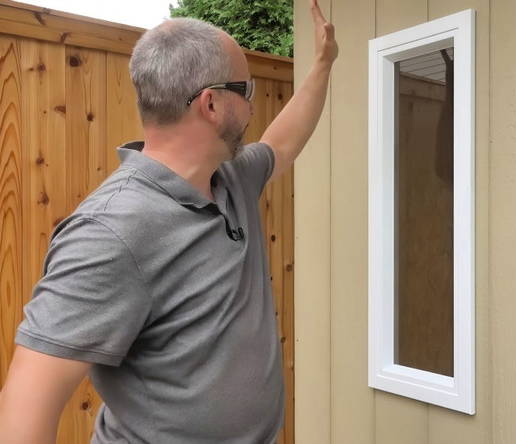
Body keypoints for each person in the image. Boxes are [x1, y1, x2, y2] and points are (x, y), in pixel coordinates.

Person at [0, 0, 337, 442]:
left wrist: (323, 65)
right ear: (211, 104)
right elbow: (24, 412)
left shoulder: (230, 179)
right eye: (247, 91)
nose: (253, 106)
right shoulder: (111, 231)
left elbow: (285, 140)